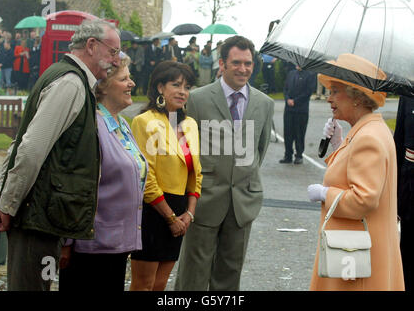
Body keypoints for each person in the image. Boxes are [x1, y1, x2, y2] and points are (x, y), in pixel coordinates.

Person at [0, 19, 121, 291]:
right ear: (92, 46)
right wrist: (8, 204)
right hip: (37, 218)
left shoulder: (72, 80)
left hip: (44, 216)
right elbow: (31, 148)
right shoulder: (71, 83)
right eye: (113, 51)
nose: (116, 61)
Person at [175, 35, 274, 291]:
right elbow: (187, 149)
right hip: (204, 199)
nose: (243, 69)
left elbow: (258, 152)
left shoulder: (265, 104)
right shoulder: (197, 99)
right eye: (237, 62)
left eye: (248, 63)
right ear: (222, 63)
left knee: (231, 272)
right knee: (193, 273)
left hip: (243, 201)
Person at [307, 53, 404, 291]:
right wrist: (339, 143)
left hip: (357, 258)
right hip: (357, 252)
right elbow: (353, 170)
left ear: (357, 96)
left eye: (335, 91)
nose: (329, 99)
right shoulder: (366, 130)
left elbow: (363, 199)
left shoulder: (368, 137)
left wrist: (325, 193)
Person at [58, 54, 147, 291]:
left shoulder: (122, 125)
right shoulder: (92, 127)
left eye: (131, 78)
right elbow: (74, 184)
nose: (132, 84)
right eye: (124, 79)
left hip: (116, 244)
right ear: (103, 87)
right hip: (91, 246)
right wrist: (66, 241)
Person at [130, 61, 202, 291]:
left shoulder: (189, 124)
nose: (183, 91)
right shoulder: (145, 121)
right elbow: (145, 176)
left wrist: (189, 213)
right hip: (153, 211)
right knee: (144, 285)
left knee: (160, 285)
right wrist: (170, 218)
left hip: (181, 210)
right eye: (176, 84)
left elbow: (196, 174)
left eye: (187, 86)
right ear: (160, 87)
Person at [394, 95, 414, 291]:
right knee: (406, 254)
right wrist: (394, 197)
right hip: (410, 185)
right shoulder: (409, 93)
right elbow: (398, 143)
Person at [279, 65, 316, 165]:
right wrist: (287, 99)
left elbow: (308, 92)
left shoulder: (310, 75)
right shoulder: (291, 73)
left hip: (301, 110)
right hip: (289, 109)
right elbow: (285, 89)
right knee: (288, 133)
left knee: (299, 133)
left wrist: (295, 101)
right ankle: (288, 155)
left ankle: (299, 155)